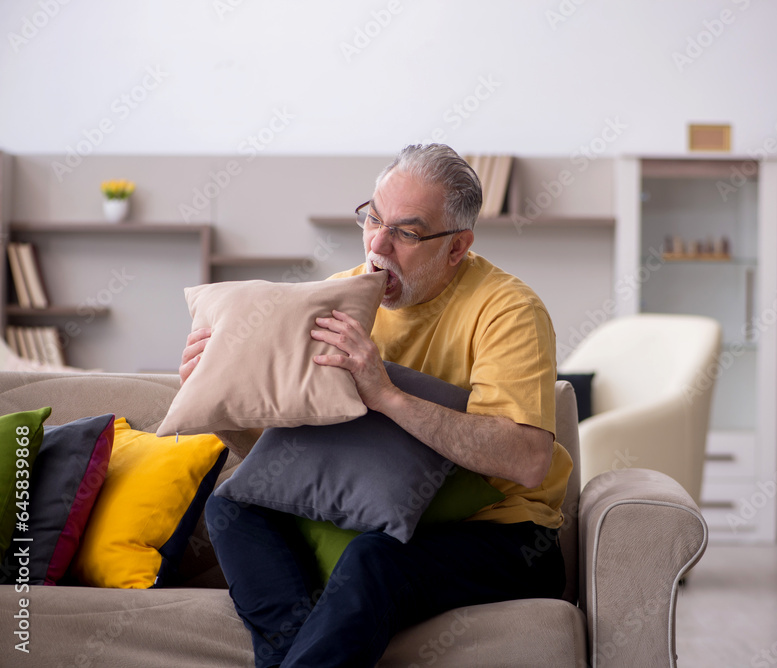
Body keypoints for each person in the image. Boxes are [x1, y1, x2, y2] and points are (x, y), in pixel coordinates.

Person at [184, 144, 573, 667]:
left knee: (374, 559)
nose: (378, 245)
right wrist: (221, 402)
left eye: (407, 233)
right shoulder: (336, 298)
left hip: (500, 535)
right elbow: (278, 456)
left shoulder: (508, 310)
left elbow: (527, 460)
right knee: (231, 506)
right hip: (369, 508)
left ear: (457, 248)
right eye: (373, 218)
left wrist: (385, 393)